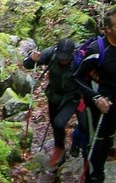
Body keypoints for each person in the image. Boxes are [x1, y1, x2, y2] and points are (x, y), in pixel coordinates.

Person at [73, 9, 116, 183]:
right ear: (108, 29)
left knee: (108, 138)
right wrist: (96, 98)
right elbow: (76, 77)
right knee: (95, 140)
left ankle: (100, 171)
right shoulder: (97, 49)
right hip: (96, 101)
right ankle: (92, 176)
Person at [23, 37, 81, 170]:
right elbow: (27, 64)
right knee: (55, 124)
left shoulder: (80, 59)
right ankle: (59, 148)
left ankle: (76, 141)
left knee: (60, 122)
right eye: (60, 56)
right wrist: (32, 58)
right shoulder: (52, 53)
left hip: (72, 97)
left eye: (65, 57)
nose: (62, 59)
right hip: (54, 95)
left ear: (72, 54)